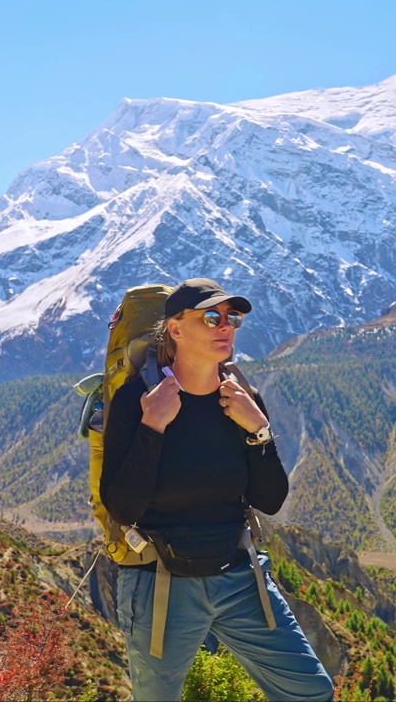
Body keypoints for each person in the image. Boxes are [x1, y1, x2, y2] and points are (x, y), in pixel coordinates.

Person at [101, 278, 334, 701]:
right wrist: (153, 426)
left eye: (232, 318)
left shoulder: (242, 398)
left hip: (240, 575)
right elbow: (122, 507)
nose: (224, 326)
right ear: (175, 329)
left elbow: (270, 500)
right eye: (210, 317)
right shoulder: (139, 399)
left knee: (311, 692)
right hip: (160, 584)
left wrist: (259, 430)